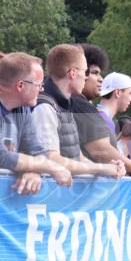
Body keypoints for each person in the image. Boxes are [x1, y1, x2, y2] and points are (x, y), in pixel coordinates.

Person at [0, 52, 72, 194]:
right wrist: (51, 167)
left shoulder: (22, 106)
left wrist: (33, 171)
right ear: (20, 85)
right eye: (39, 84)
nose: (42, 89)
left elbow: (37, 151)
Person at [31, 44, 125, 181]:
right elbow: (50, 160)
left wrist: (108, 168)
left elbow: (76, 157)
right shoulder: (45, 107)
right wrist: (102, 169)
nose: (86, 78)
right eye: (86, 72)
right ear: (73, 73)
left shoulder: (65, 104)